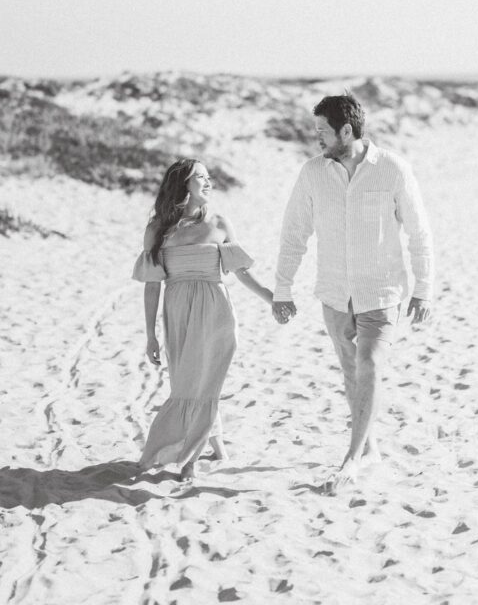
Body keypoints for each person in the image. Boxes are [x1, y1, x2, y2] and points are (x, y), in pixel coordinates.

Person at [272, 93, 434, 492]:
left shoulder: (393, 169)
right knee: (352, 375)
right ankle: (371, 448)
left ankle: (350, 460)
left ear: (347, 130)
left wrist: (424, 288)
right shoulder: (312, 173)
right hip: (333, 294)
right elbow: (294, 232)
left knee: (371, 366)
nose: (318, 141)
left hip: (382, 292)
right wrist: (282, 288)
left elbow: (419, 231)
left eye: (323, 133)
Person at [133, 158, 272, 482]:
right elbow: (153, 285)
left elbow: (241, 271)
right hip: (178, 312)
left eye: (210, 178)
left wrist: (270, 297)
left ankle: (190, 460)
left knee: (205, 384)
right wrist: (151, 335)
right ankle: (215, 444)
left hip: (216, 312)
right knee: (186, 384)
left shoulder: (220, 223)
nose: (208, 183)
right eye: (201, 178)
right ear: (183, 184)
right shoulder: (158, 230)